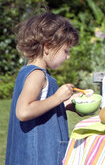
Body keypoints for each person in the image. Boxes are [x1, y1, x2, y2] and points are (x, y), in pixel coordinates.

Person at [6, 12, 80, 165]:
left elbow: (38, 107)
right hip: (38, 156)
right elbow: (23, 111)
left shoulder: (28, 72)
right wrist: (57, 98)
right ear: (48, 46)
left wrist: (63, 105)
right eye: (66, 51)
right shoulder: (37, 75)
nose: (68, 56)